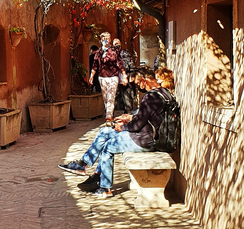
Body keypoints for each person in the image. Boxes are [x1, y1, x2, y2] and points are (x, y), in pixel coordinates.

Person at [59, 67, 178, 195]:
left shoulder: (151, 97)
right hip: (148, 136)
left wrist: (122, 127)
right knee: (105, 132)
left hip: (146, 140)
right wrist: (129, 118)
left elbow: (137, 125)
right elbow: (149, 117)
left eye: (138, 84)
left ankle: (104, 186)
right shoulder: (164, 93)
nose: (138, 88)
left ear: (144, 80)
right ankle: (85, 165)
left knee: (108, 146)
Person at [88, 32, 123, 124]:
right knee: (105, 98)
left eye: (107, 38)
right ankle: (109, 114)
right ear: (100, 39)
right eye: (103, 38)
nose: (105, 40)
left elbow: (120, 63)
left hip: (113, 76)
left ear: (110, 39)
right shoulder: (98, 52)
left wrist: (124, 75)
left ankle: (108, 117)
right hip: (102, 77)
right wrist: (91, 76)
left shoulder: (114, 50)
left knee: (111, 96)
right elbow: (95, 65)